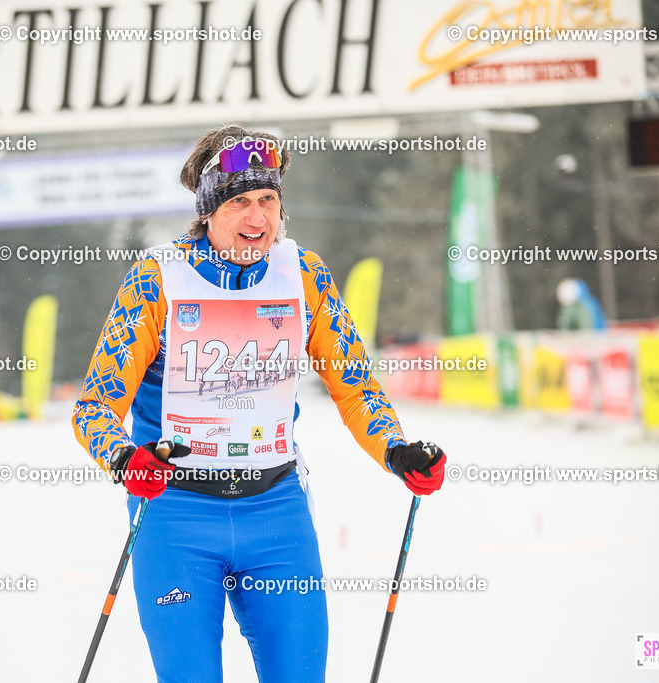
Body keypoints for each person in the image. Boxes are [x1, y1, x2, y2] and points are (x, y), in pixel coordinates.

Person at [72, 124, 447, 682]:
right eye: (239, 202)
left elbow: (356, 386)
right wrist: (126, 459)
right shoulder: (157, 279)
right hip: (177, 516)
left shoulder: (305, 275)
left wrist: (396, 451)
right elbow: (95, 407)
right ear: (207, 211)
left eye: (268, 199)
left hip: (276, 513)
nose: (257, 217)